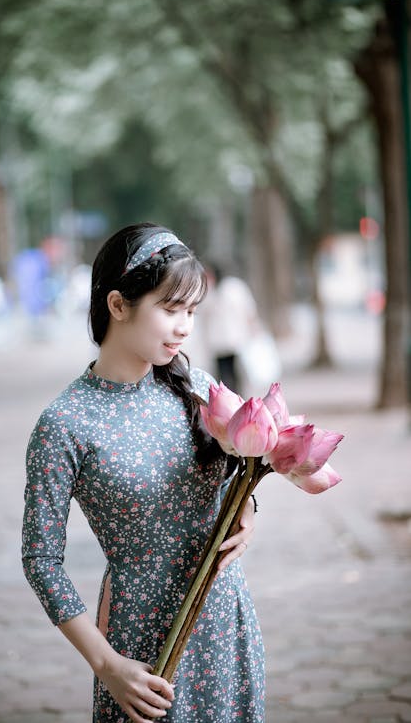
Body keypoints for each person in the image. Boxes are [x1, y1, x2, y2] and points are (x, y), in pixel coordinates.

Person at [22, 223, 265, 722]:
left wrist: (247, 509)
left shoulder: (195, 386)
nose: (185, 327)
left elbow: (240, 471)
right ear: (117, 305)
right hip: (142, 645)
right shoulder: (65, 423)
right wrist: (108, 664)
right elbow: (40, 559)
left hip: (225, 620)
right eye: (170, 309)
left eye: (192, 311)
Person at [200, 263, 259, 395]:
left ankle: (237, 397)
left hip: (234, 339)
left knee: (237, 372)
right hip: (219, 342)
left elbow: (248, 310)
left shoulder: (234, 288)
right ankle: (227, 399)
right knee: (223, 374)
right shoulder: (207, 291)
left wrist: (253, 328)